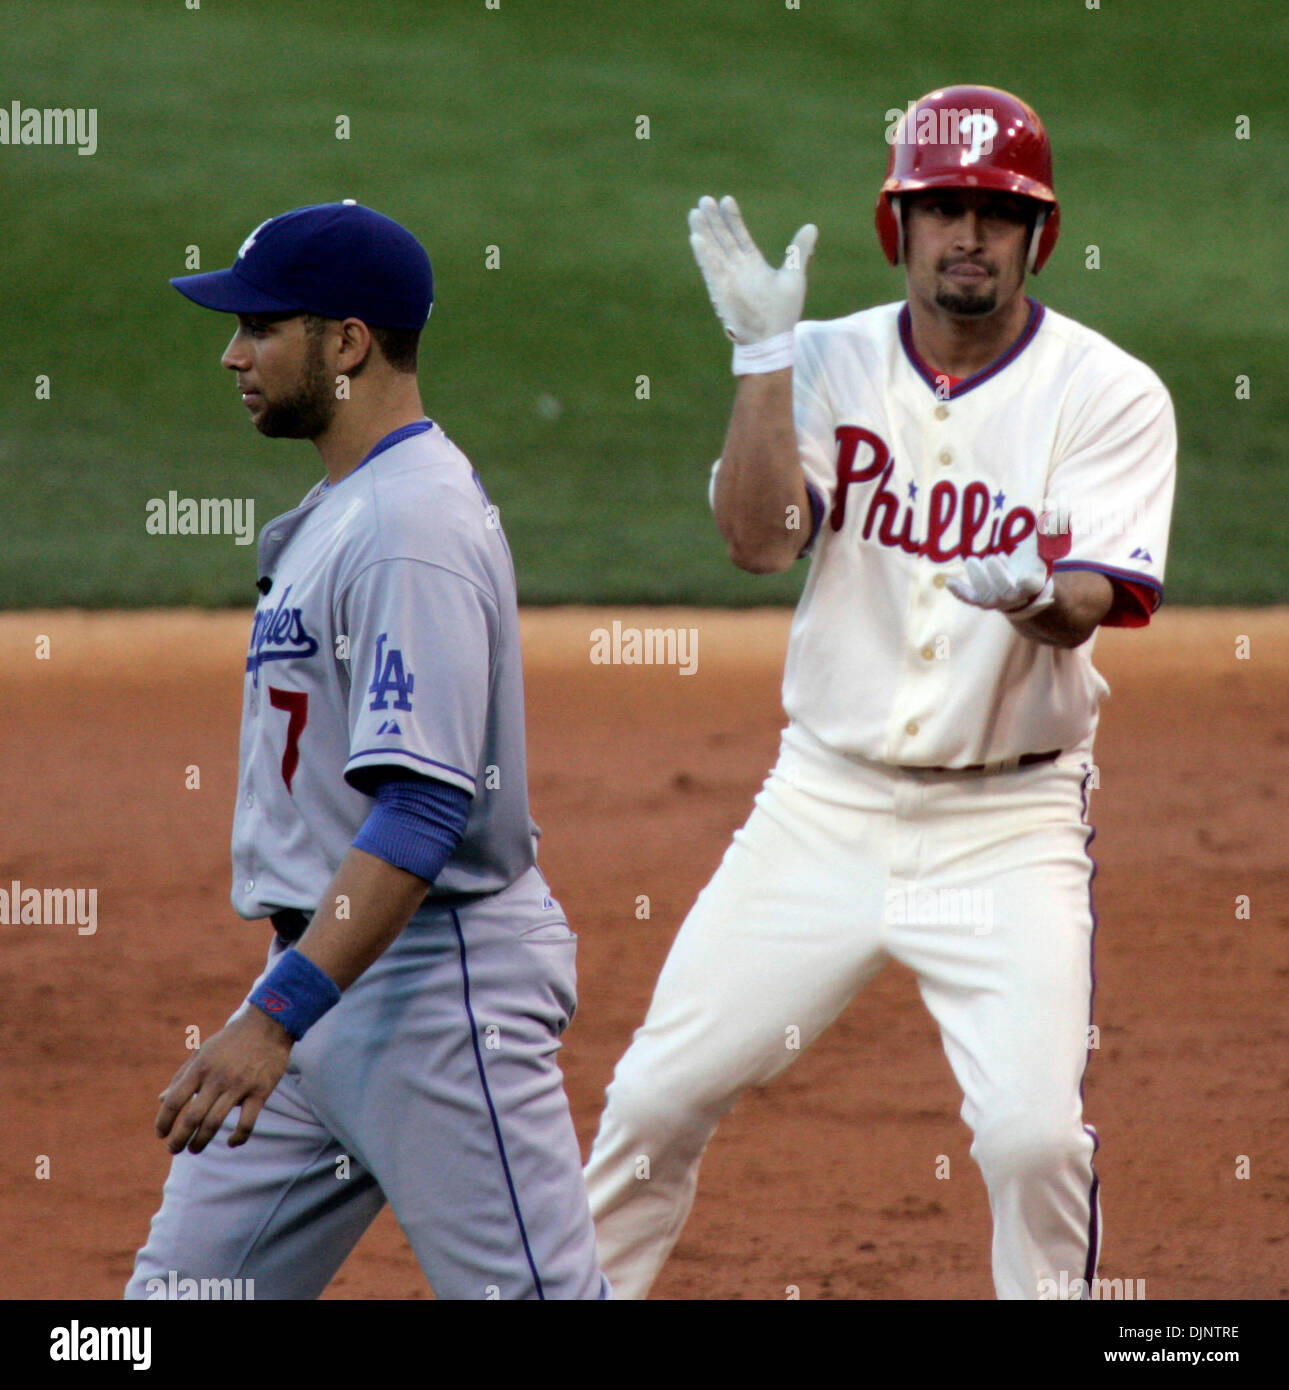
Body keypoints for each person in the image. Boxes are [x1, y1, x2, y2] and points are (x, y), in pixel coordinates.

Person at [582, 86, 1176, 1300]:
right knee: (652, 1097)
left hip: (1004, 828)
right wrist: (760, 363)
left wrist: (1034, 596)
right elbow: (757, 543)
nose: (967, 233)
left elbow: (1091, 599)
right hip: (821, 806)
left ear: (1037, 234)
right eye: (940, 207)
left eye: (993, 212)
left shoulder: (1108, 391)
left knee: (1030, 1140)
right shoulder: (821, 360)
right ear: (894, 225)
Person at [125, 201, 606, 1300]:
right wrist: (289, 1005)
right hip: (323, 988)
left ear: (346, 343)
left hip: (431, 994)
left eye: (259, 327)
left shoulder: (409, 528)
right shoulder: (352, 506)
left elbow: (421, 813)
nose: (231, 353)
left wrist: (273, 1016)